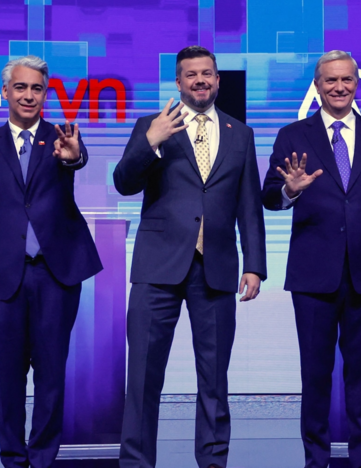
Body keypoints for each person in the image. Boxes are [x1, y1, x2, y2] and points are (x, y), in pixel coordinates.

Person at [113, 45, 266, 468]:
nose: (200, 80)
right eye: (191, 74)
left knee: (214, 378)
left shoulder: (240, 133)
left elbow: (249, 204)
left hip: (216, 268)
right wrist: (151, 142)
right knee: (143, 376)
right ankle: (136, 463)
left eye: (207, 73)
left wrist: (255, 264)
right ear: (178, 82)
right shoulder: (151, 125)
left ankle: (213, 461)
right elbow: (124, 183)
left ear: (217, 80)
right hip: (157, 267)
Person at [261, 50, 361, 468]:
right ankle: (316, 458)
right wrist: (290, 191)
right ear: (317, 86)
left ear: (356, 85)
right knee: (315, 373)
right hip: (312, 275)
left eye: (346, 80)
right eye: (331, 80)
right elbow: (268, 196)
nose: (339, 87)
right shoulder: (293, 135)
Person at [0, 56, 103, 468]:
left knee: (52, 375)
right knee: (7, 377)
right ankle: (12, 458)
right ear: (5, 92)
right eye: (20, 87)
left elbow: (76, 159)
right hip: (0, 280)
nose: (28, 95)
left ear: (45, 94)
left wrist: (73, 157)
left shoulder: (62, 138)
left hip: (57, 275)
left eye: (36, 88)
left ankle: (42, 459)